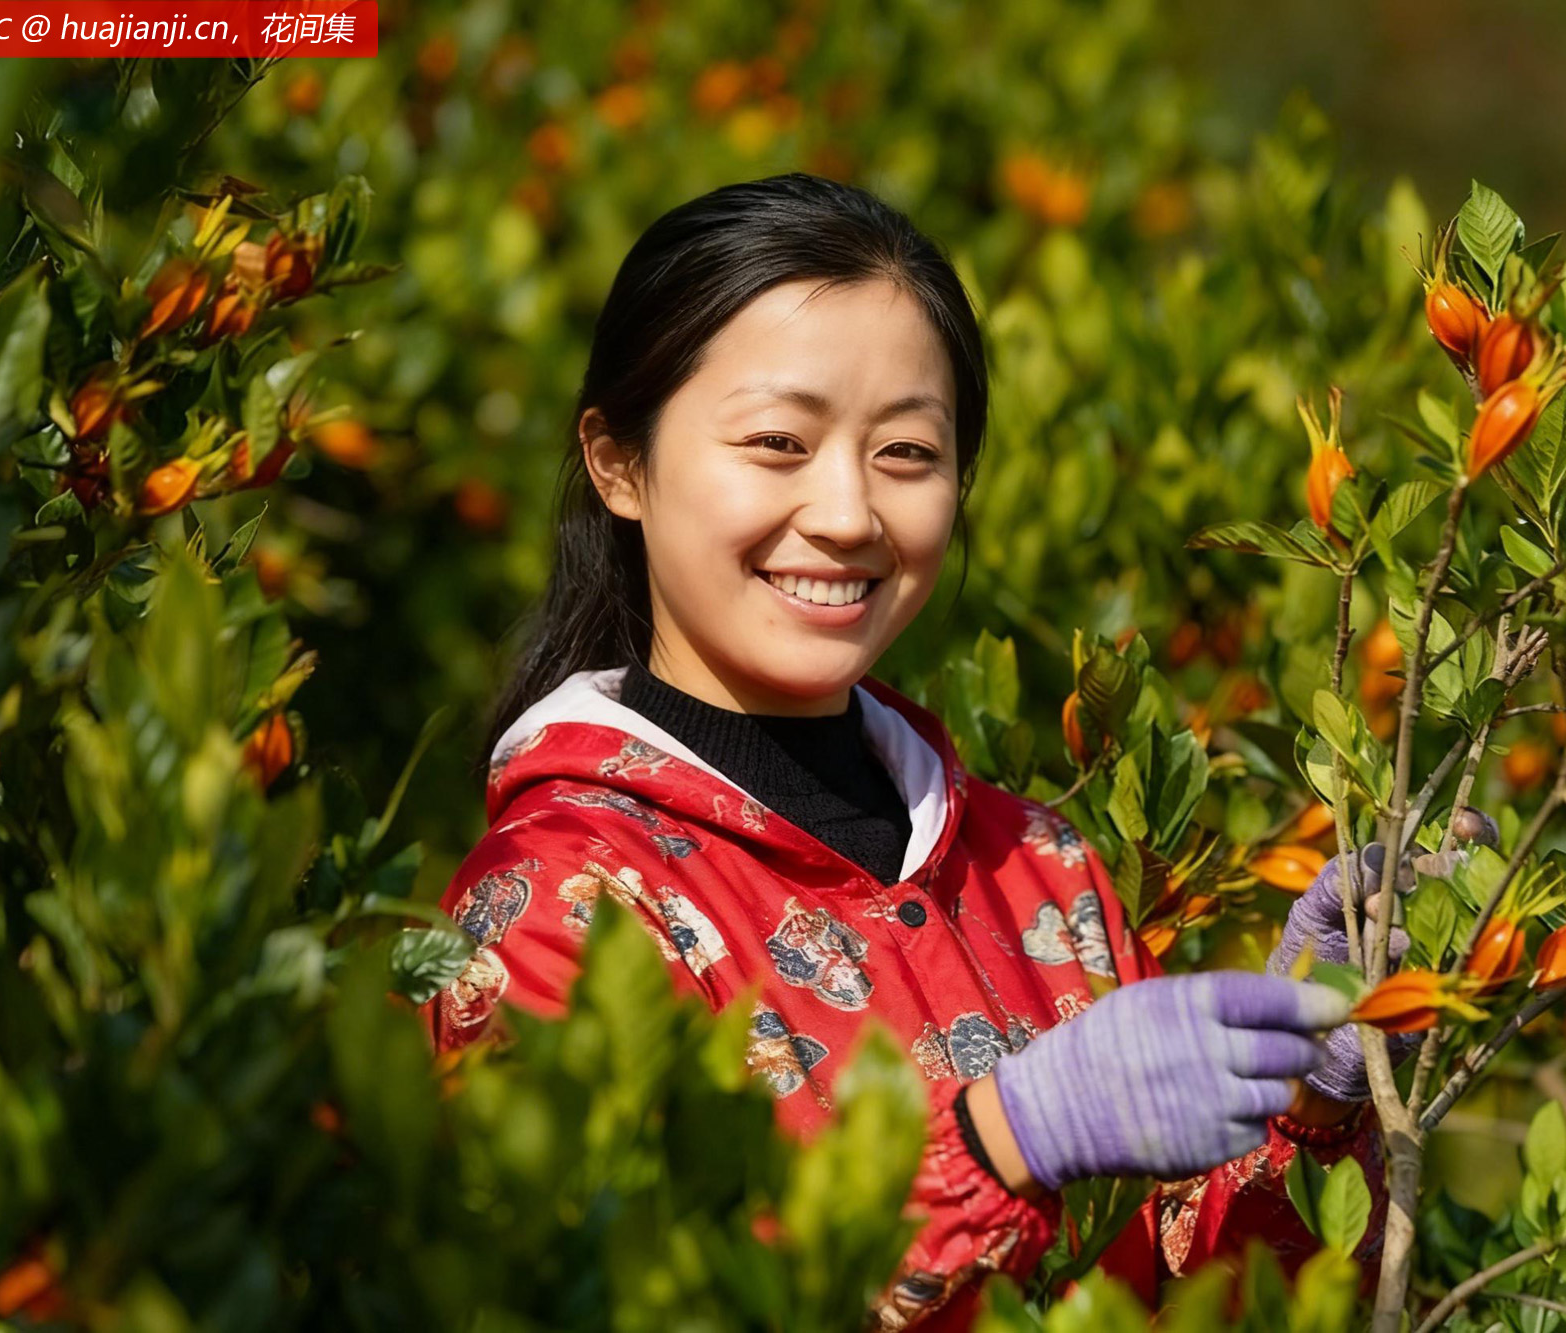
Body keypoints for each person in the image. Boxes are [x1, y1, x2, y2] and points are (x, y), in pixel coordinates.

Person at [420, 172, 1494, 1330]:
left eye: (905, 455)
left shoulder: (1041, 866)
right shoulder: (551, 908)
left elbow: (1206, 1295)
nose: (844, 513)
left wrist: (1309, 1097)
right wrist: (1002, 1142)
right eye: (777, 442)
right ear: (617, 462)